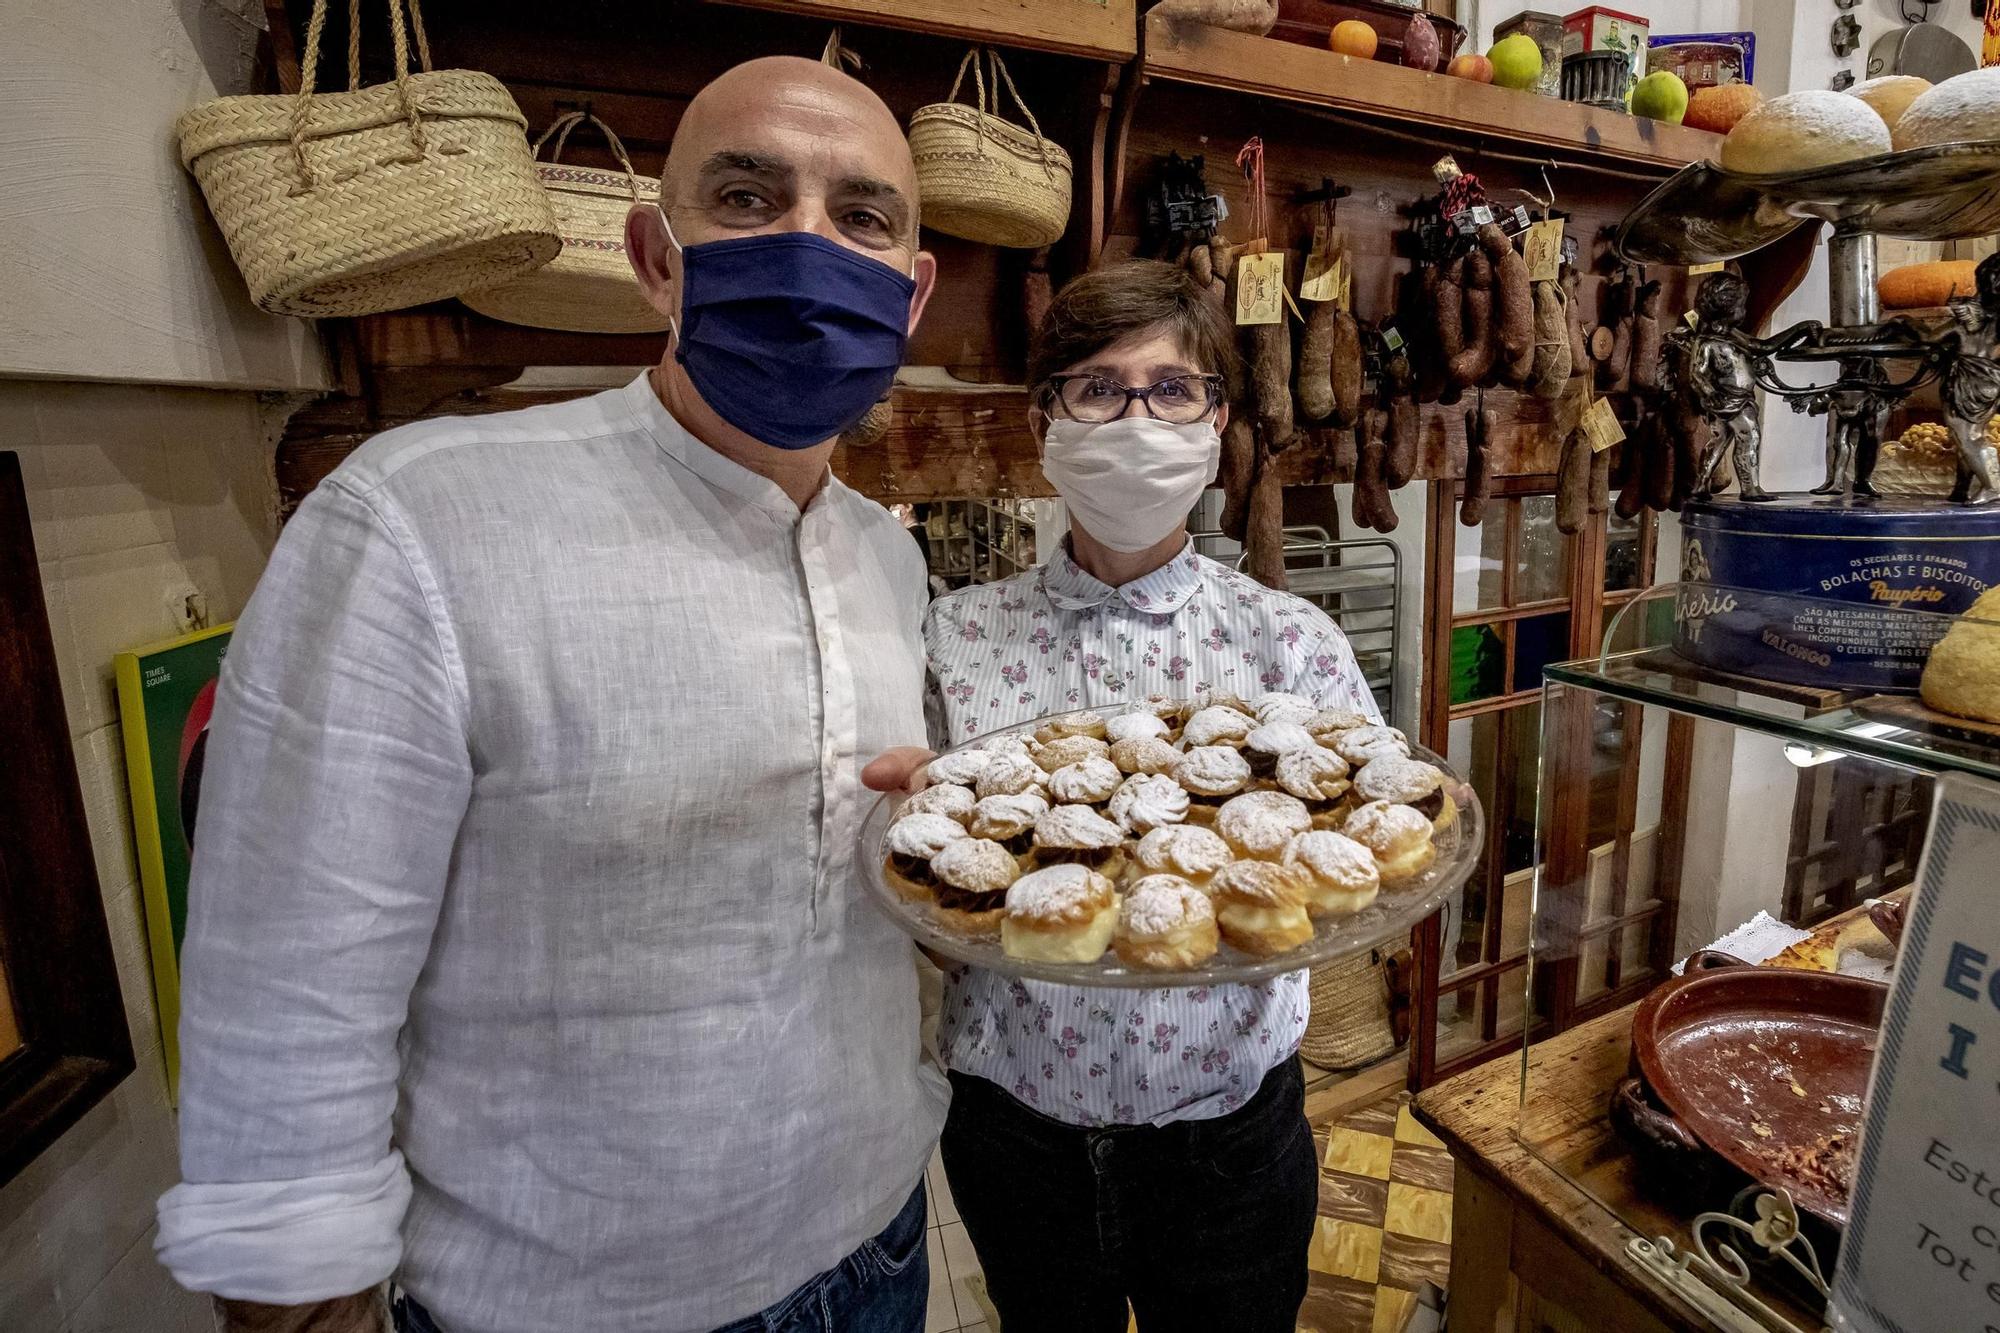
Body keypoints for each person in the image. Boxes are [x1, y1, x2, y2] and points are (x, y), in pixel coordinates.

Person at [157, 57, 947, 1333]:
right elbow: (287, 989)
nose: (809, 247)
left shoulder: (888, 556)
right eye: (747, 198)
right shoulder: (417, 520)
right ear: (656, 257)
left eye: (859, 218)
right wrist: (302, 1304)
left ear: (908, 295)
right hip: (564, 1301)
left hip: (875, 1245)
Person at [874, 260, 1380, 1332]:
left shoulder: (1287, 645)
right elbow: (923, 880)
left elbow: (1360, 869)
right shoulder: (954, 638)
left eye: (1170, 388)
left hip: (1227, 1129)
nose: (1135, 416)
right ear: (1044, 418)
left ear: (1215, 419)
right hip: (1015, 1121)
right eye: (1098, 388)